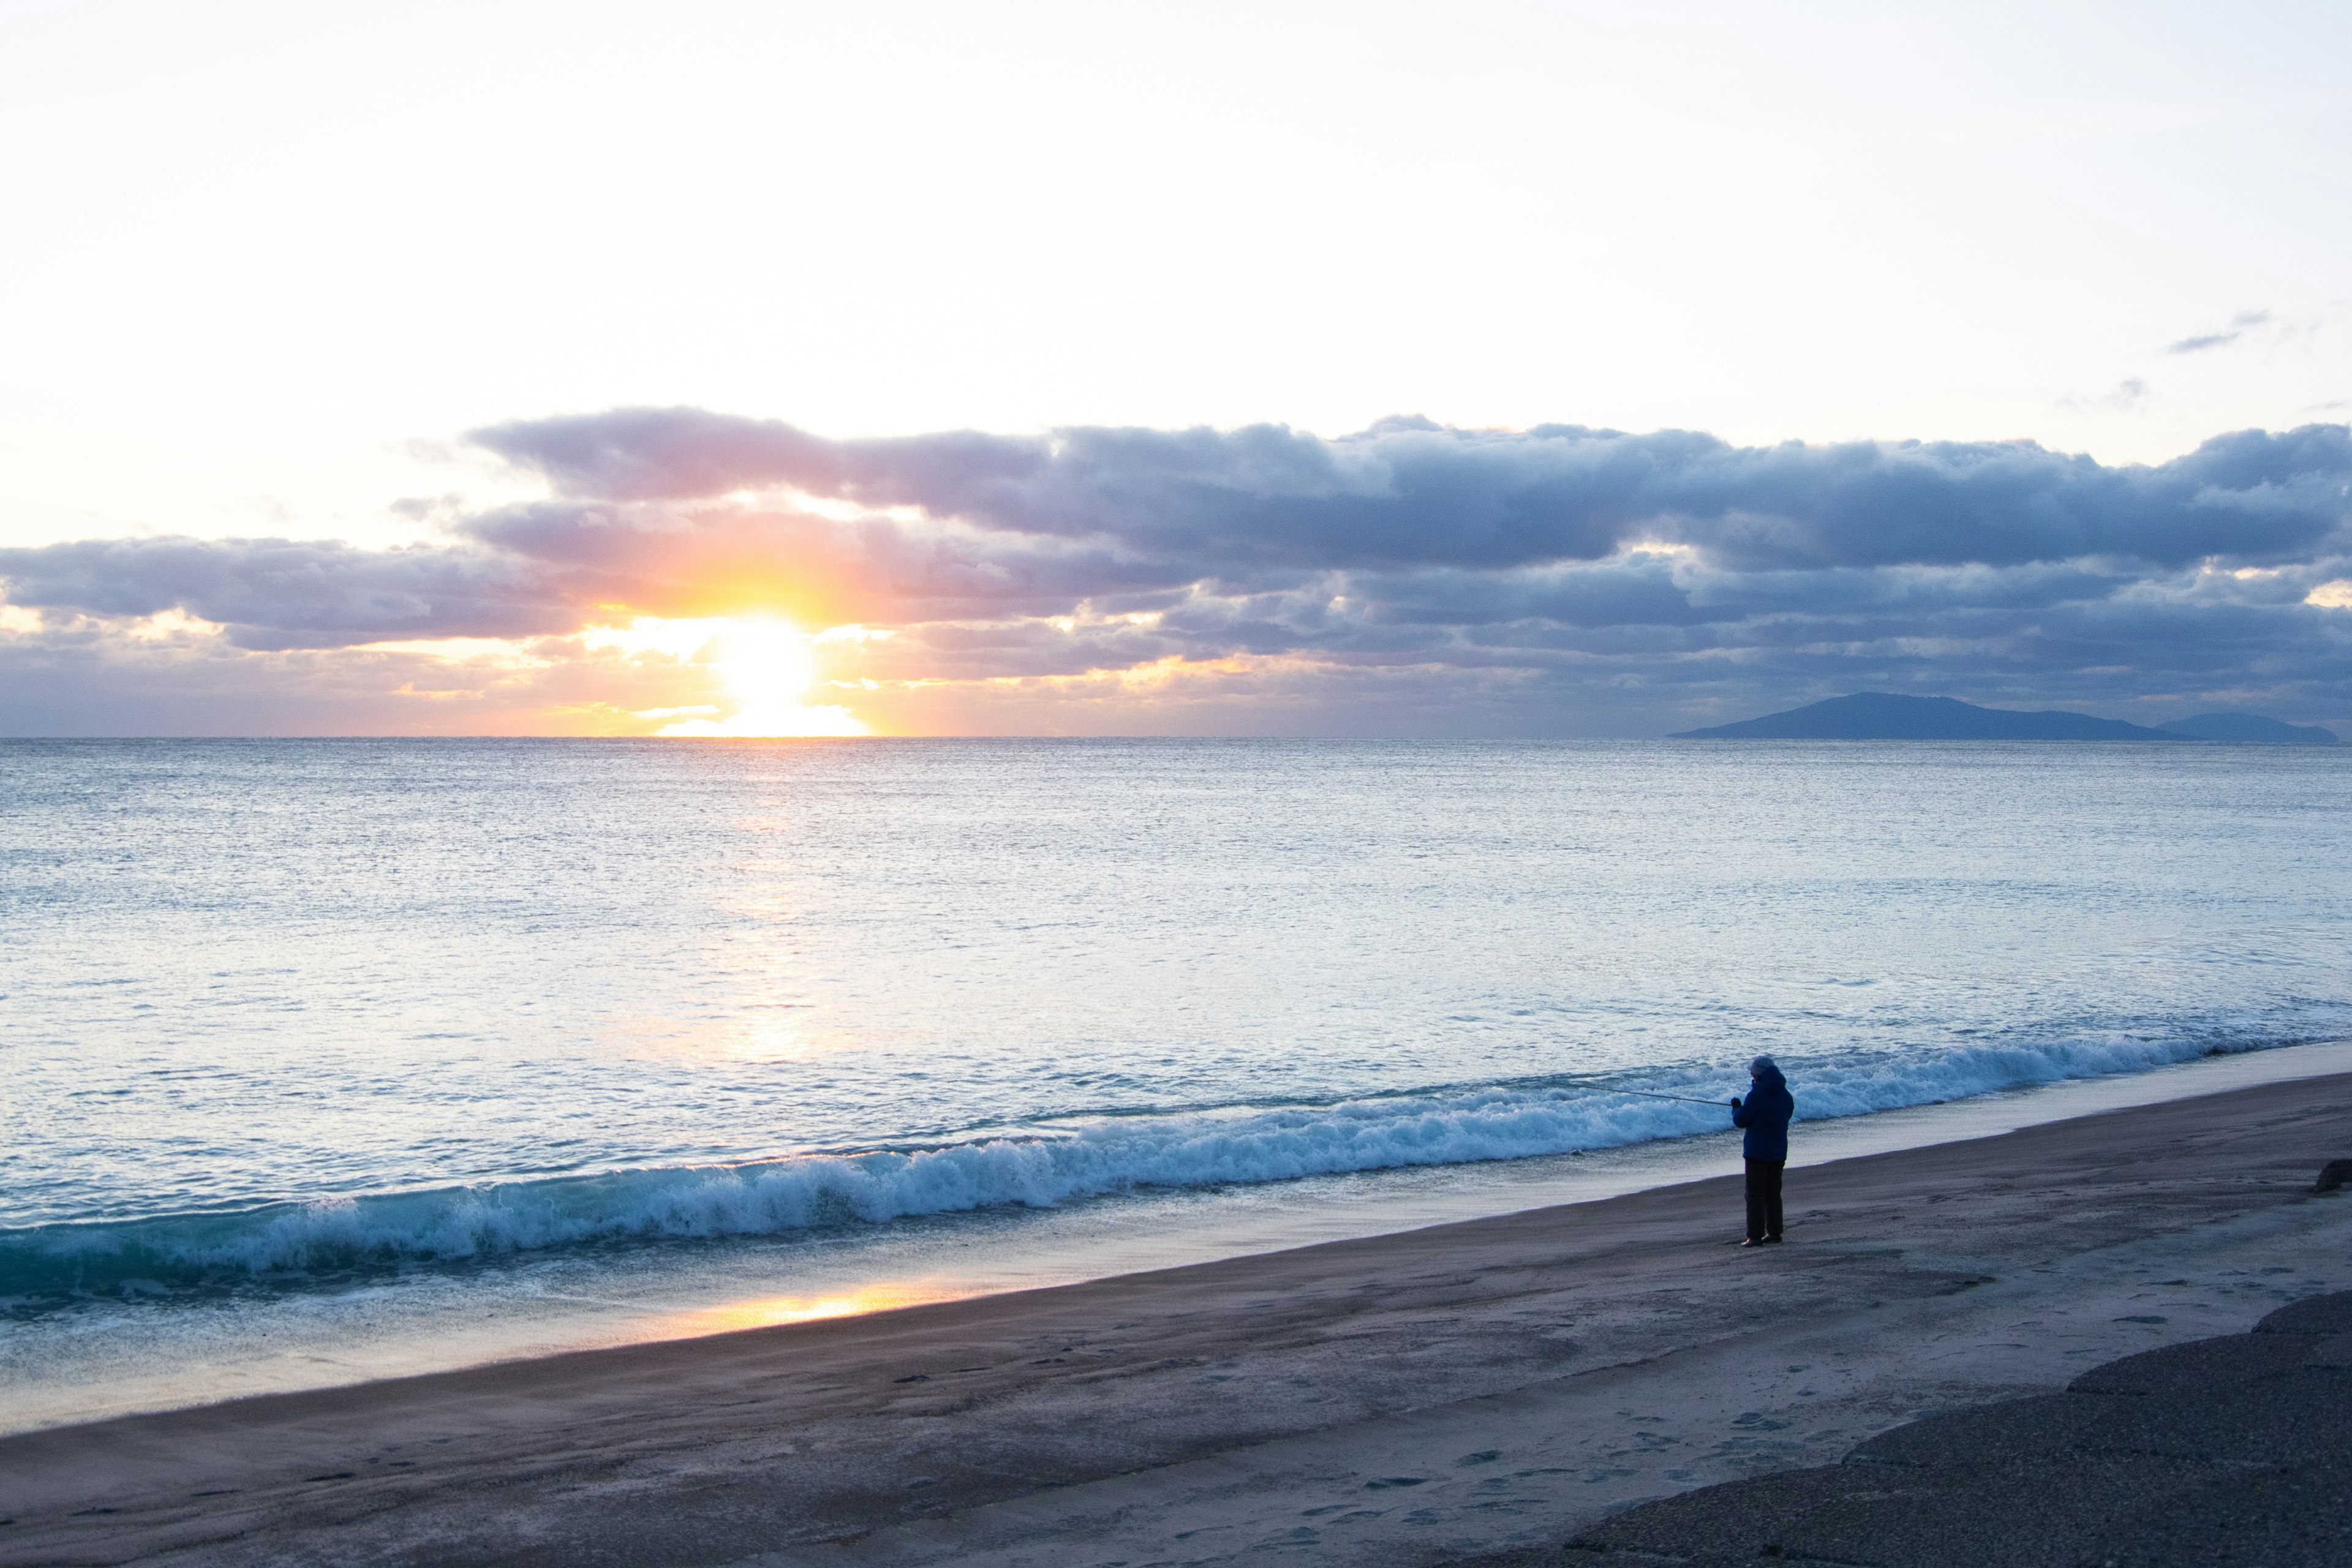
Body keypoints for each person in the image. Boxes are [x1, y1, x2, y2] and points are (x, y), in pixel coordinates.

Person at [1730, 1056, 1793, 1246]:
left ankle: (1755, 1236)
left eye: (1753, 1072)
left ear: (1759, 1073)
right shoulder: (1785, 1094)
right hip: (1778, 1151)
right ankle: (1774, 1233)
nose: (1752, 1075)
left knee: (1755, 1194)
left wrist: (1736, 1109)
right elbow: (1787, 1113)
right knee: (1773, 1193)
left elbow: (1741, 1120)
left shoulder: (1756, 1095)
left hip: (1757, 1153)